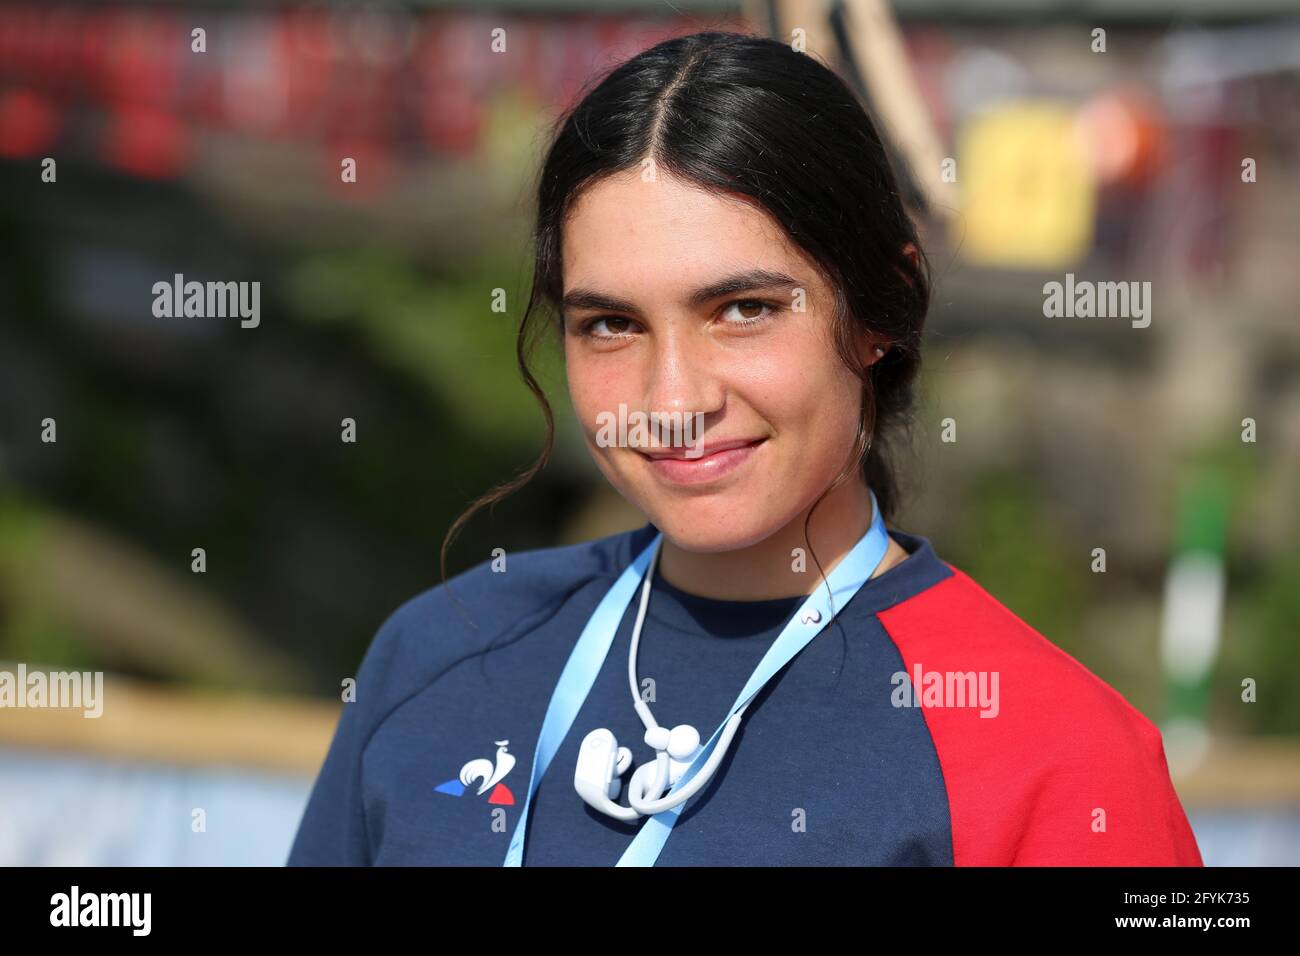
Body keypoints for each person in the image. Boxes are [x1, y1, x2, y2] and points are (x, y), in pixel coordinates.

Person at [287, 31, 1202, 867]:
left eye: (744, 310)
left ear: (881, 305)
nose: (674, 398)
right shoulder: (442, 655)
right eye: (611, 324)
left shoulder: (1059, 756)